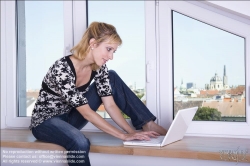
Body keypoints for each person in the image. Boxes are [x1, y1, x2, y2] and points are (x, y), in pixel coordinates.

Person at [30, 22, 167, 166]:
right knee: (80, 142)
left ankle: (147, 123)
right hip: (45, 123)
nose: (111, 56)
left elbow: (110, 104)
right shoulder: (62, 69)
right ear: (93, 43)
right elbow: (87, 113)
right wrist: (122, 135)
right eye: (108, 49)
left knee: (111, 76)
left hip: (70, 119)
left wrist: (130, 132)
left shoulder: (99, 68)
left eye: (113, 51)